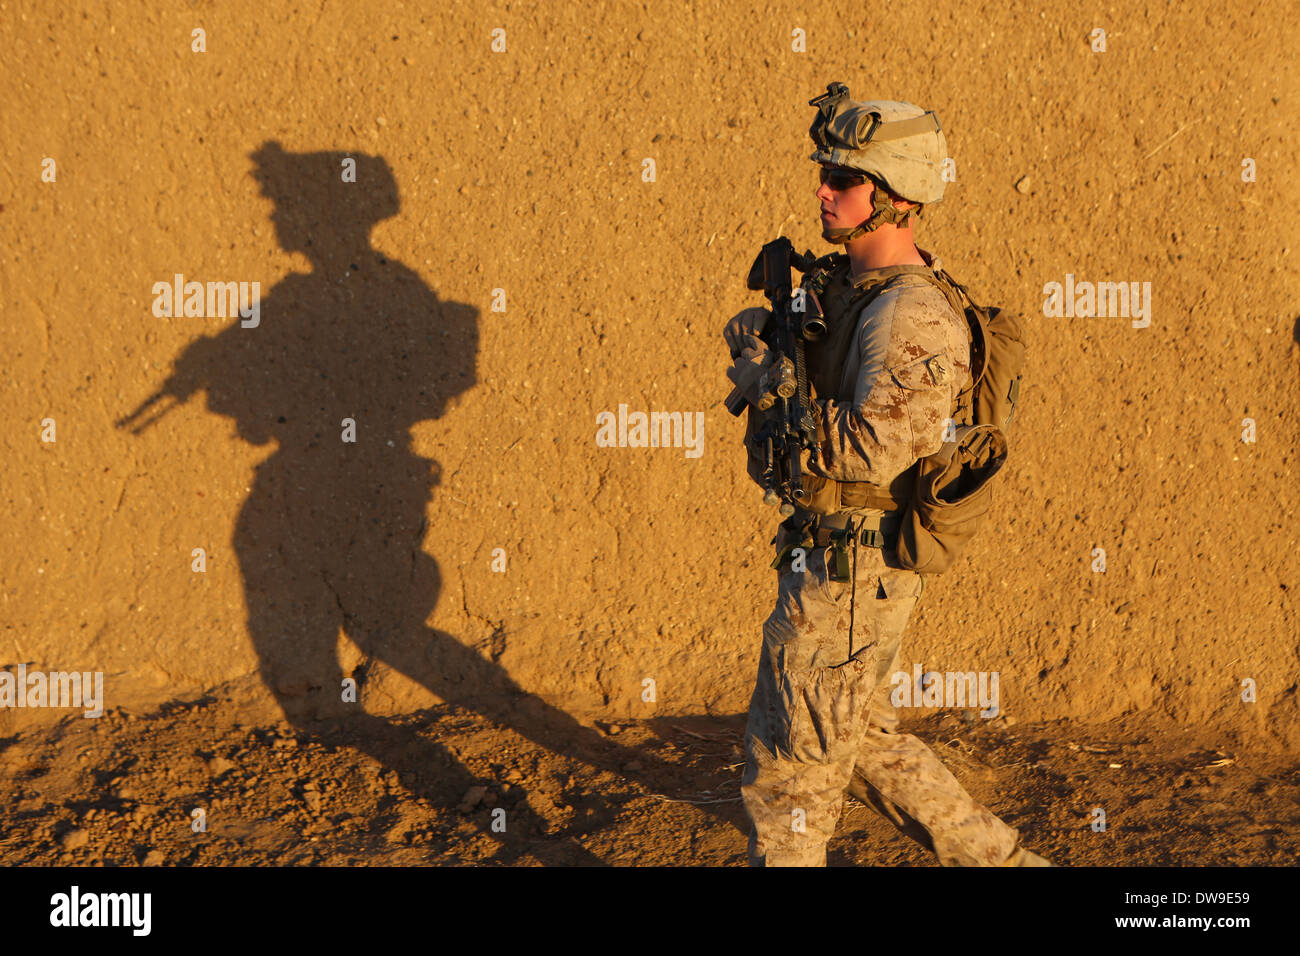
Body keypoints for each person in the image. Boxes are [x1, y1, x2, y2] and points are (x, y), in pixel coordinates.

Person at [723, 84, 1052, 867]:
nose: (823, 191)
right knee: (865, 738)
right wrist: (770, 348)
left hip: (851, 570)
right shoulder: (848, 288)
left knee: (791, 775)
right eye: (826, 174)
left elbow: (877, 448)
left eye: (842, 179)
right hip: (835, 560)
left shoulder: (913, 314)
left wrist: (776, 391)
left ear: (895, 197)